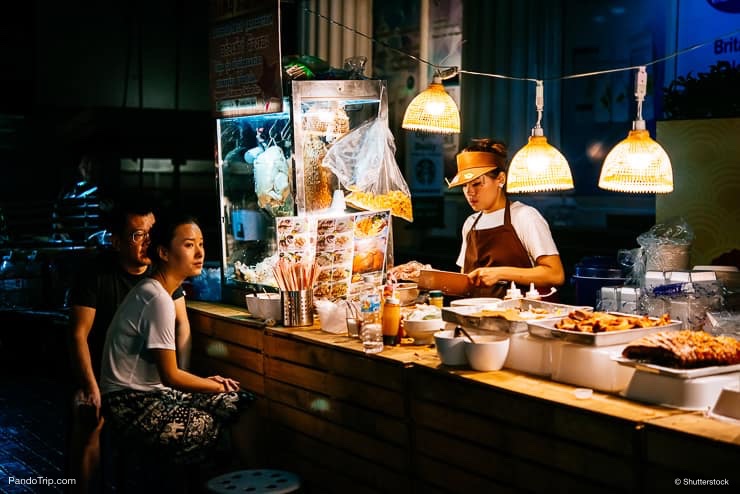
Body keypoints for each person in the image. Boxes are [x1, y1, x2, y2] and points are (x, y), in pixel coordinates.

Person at [99, 213, 256, 466]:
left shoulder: (159, 292)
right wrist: (215, 386)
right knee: (207, 425)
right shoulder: (157, 299)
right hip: (129, 404)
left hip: (153, 394)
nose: (199, 252)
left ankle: (251, 479)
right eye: (188, 244)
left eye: (201, 243)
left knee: (240, 402)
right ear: (163, 252)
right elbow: (171, 376)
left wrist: (209, 385)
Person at [66, 199, 192, 493]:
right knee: (89, 419)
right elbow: (77, 335)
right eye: (137, 235)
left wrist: (181, 375)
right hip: (97, 372)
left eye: (151, 232)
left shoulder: (162, 270)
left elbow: (182, 324)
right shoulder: (96, 274)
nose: (147, 241)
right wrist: (90, 386)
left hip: (149, 380)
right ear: (117, 241)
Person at [448, 138, 565, 299]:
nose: (470, 192)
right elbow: (465, 280)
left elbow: (555, 274)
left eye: (476, 184)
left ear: (500, 179)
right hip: (477, 318)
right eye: (464, 185)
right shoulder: (470, 224)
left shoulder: (525, 216)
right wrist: (426, 276)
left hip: (520, 316)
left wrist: (499, 273)